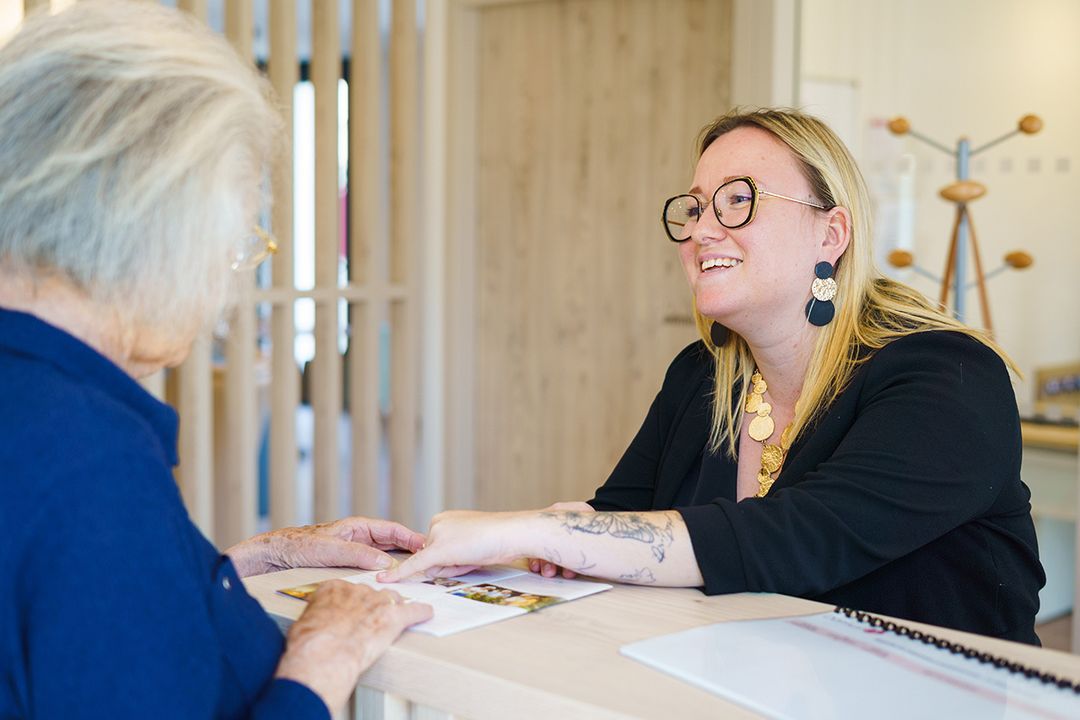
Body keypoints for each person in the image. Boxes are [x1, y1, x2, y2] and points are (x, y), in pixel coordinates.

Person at [379, 107, 1046, 644]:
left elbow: (798, 543)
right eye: (696, 209)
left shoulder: (948, 376)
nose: (702, 231)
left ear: (830, 234)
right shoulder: (703, 374)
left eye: (738, 201)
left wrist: (530, 529)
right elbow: (622, 520)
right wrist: (550, 539)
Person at [0, 3, 430, 718]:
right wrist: (321, 666)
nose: (228, 286)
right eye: (234, 245)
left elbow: (81, 616)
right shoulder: (87, 453)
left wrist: (250, 562)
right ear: (154, 225)